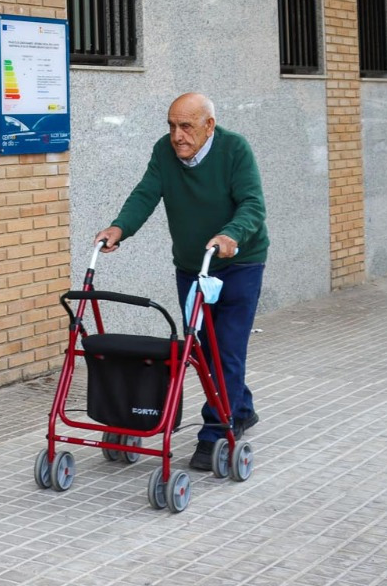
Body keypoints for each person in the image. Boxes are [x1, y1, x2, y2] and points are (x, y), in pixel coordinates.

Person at [93, 92, 267, 472]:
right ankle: (240, 408)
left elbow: (253, 204)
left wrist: (231, 234)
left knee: (227, 348)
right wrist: (120, 228)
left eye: (186, 126)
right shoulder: (164, 152)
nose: (177, 136)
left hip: (239, 264)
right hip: (192, 267)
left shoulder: (235, 150)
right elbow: (145, 194)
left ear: (209, 126)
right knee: (202, 350)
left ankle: (215, 432)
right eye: (172, 126)